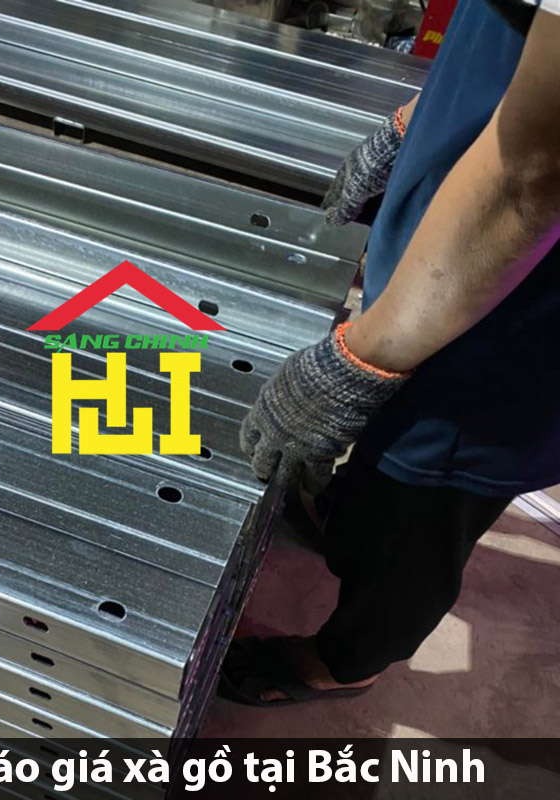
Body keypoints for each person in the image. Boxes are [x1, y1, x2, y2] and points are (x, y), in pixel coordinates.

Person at [221, 0, 560, 705]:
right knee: (385, 473)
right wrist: (421, 123)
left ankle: (345, 662)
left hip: (507, 321)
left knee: (420, 515)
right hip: (457, 266)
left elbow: (535, 175)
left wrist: (359, 359)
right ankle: (354, 514)